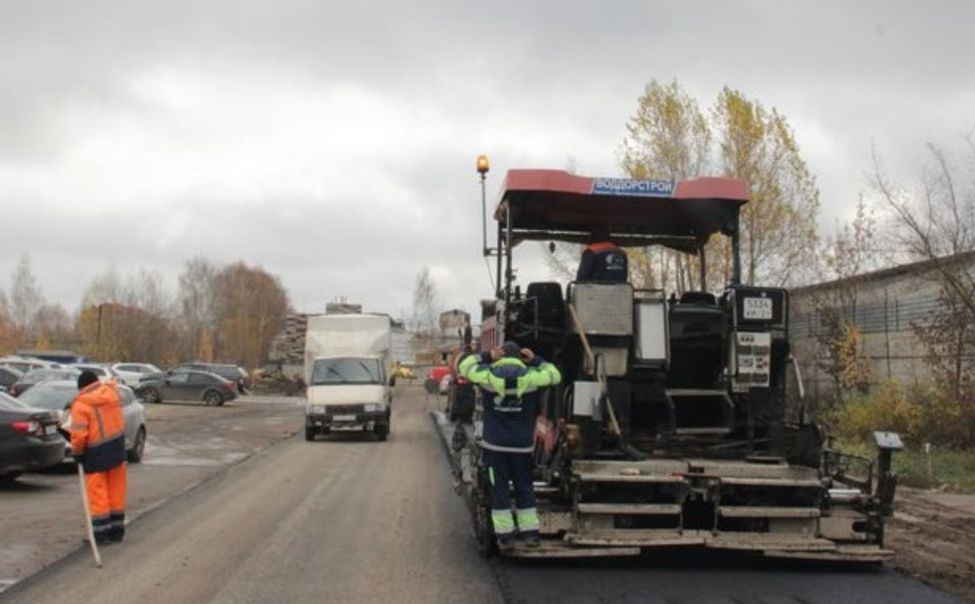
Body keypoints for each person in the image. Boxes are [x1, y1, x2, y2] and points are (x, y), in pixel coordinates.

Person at [458, 341, 562, 548]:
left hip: (494, 448)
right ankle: (530, 534)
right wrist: (535, 360)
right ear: (520, 358)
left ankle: (504, 535)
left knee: (500, 490)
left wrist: (487, 356)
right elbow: (554, 375)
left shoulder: (487, 376)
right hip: (522, 448)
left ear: (501, 357)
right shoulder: (532, 378)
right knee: (525, 488)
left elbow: (464, 367)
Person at [69, 371, 128, 545]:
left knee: (98, 494)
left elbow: (79, 435)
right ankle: (117, 531)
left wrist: (78, 453)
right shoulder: (112, 394)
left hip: (95, 454)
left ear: (81, 387)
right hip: (117, 449)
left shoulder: (81, 404)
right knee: (116, 491)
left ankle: (102, 534)